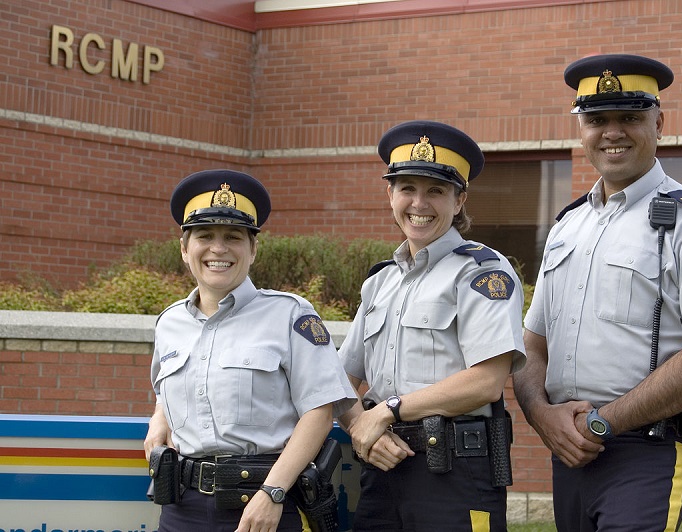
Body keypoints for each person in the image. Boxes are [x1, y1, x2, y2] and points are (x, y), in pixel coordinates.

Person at [513, 54, 682, 531]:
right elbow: (533, 344)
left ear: (659, 123)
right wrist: (542, 415)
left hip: (648, 451)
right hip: (569, 451)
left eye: (629, 117)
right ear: (581, 130)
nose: (612, 132)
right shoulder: (567, 226)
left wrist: (603, 422)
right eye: (596, 120)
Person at [337, 120, 527, 531]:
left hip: (455, 474)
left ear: (459, 201)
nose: (419, 203)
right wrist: (361, 428)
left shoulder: (482, 273)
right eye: (407, 188)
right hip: (382, 468)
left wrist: (387, 410)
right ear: (390, 195)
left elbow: (486, 382)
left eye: (436, 191)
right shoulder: (380, 282)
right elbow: (340, 380)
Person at [143, 169, 357, 532]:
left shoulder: (291, 315)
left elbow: (319, 413)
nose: (218, 248)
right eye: (204, 236)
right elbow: (168, 389)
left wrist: (272, 493)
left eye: (233, 237)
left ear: (253, 249)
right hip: (181, 508)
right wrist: (159, 416)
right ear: (184, 249)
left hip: (264, 505)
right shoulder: (170, 323)